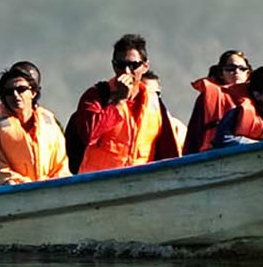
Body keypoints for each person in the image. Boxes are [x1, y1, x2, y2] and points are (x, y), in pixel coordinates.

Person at [66, 33, 181, 173]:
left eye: (133, 65)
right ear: (113, 66)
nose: (127, 71)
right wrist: (118, 101)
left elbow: (168, 151)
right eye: (121, 65)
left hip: (141, 186)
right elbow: (89, 134)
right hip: (99, 187)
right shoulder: (97, 96)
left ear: (145, 66)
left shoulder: (154, 102)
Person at [0, 64, 71, 186]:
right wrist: (27, 186)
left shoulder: (50, 123)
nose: (15, 95)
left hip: (51, 192)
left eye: (21, 89)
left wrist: (52, 185)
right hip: (12, 195)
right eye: (9, 92)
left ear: (33, 92)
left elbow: (61, 165)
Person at [184, 49, 250, 153]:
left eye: (242, 68)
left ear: (248, 73)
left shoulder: (259, 96)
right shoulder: (208, 96)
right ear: (221, 73)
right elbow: (193, 135)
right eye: (230, 68)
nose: (237, 72)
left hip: (250, 150)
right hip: (214, 153)